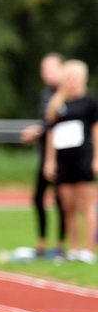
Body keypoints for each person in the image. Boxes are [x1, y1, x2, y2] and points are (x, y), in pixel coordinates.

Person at [43, 60, 97, 264]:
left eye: (76, 78)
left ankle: (88, 249)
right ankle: (73, 248)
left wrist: (97, 158)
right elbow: (51, 134)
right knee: (68, 207)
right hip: (64, 161)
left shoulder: (89, 102)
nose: (72, 81)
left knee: (87, 205)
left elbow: (96, 130)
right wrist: (49, 161)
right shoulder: (57, 104)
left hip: (83, 158)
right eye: (69, 77)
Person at [20, 54, 66, 258]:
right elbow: (47, 123)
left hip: (65, 156)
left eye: (49, 69)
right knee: (38, 198)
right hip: (45, 154)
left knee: (62, 200)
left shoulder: (68, 93)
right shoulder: (46, 93)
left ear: (61, 68)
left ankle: (61, 244)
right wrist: (38, 132)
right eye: (43, 69)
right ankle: (41, 242)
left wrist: (40, 131)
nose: (45, 74)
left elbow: (59, 124)